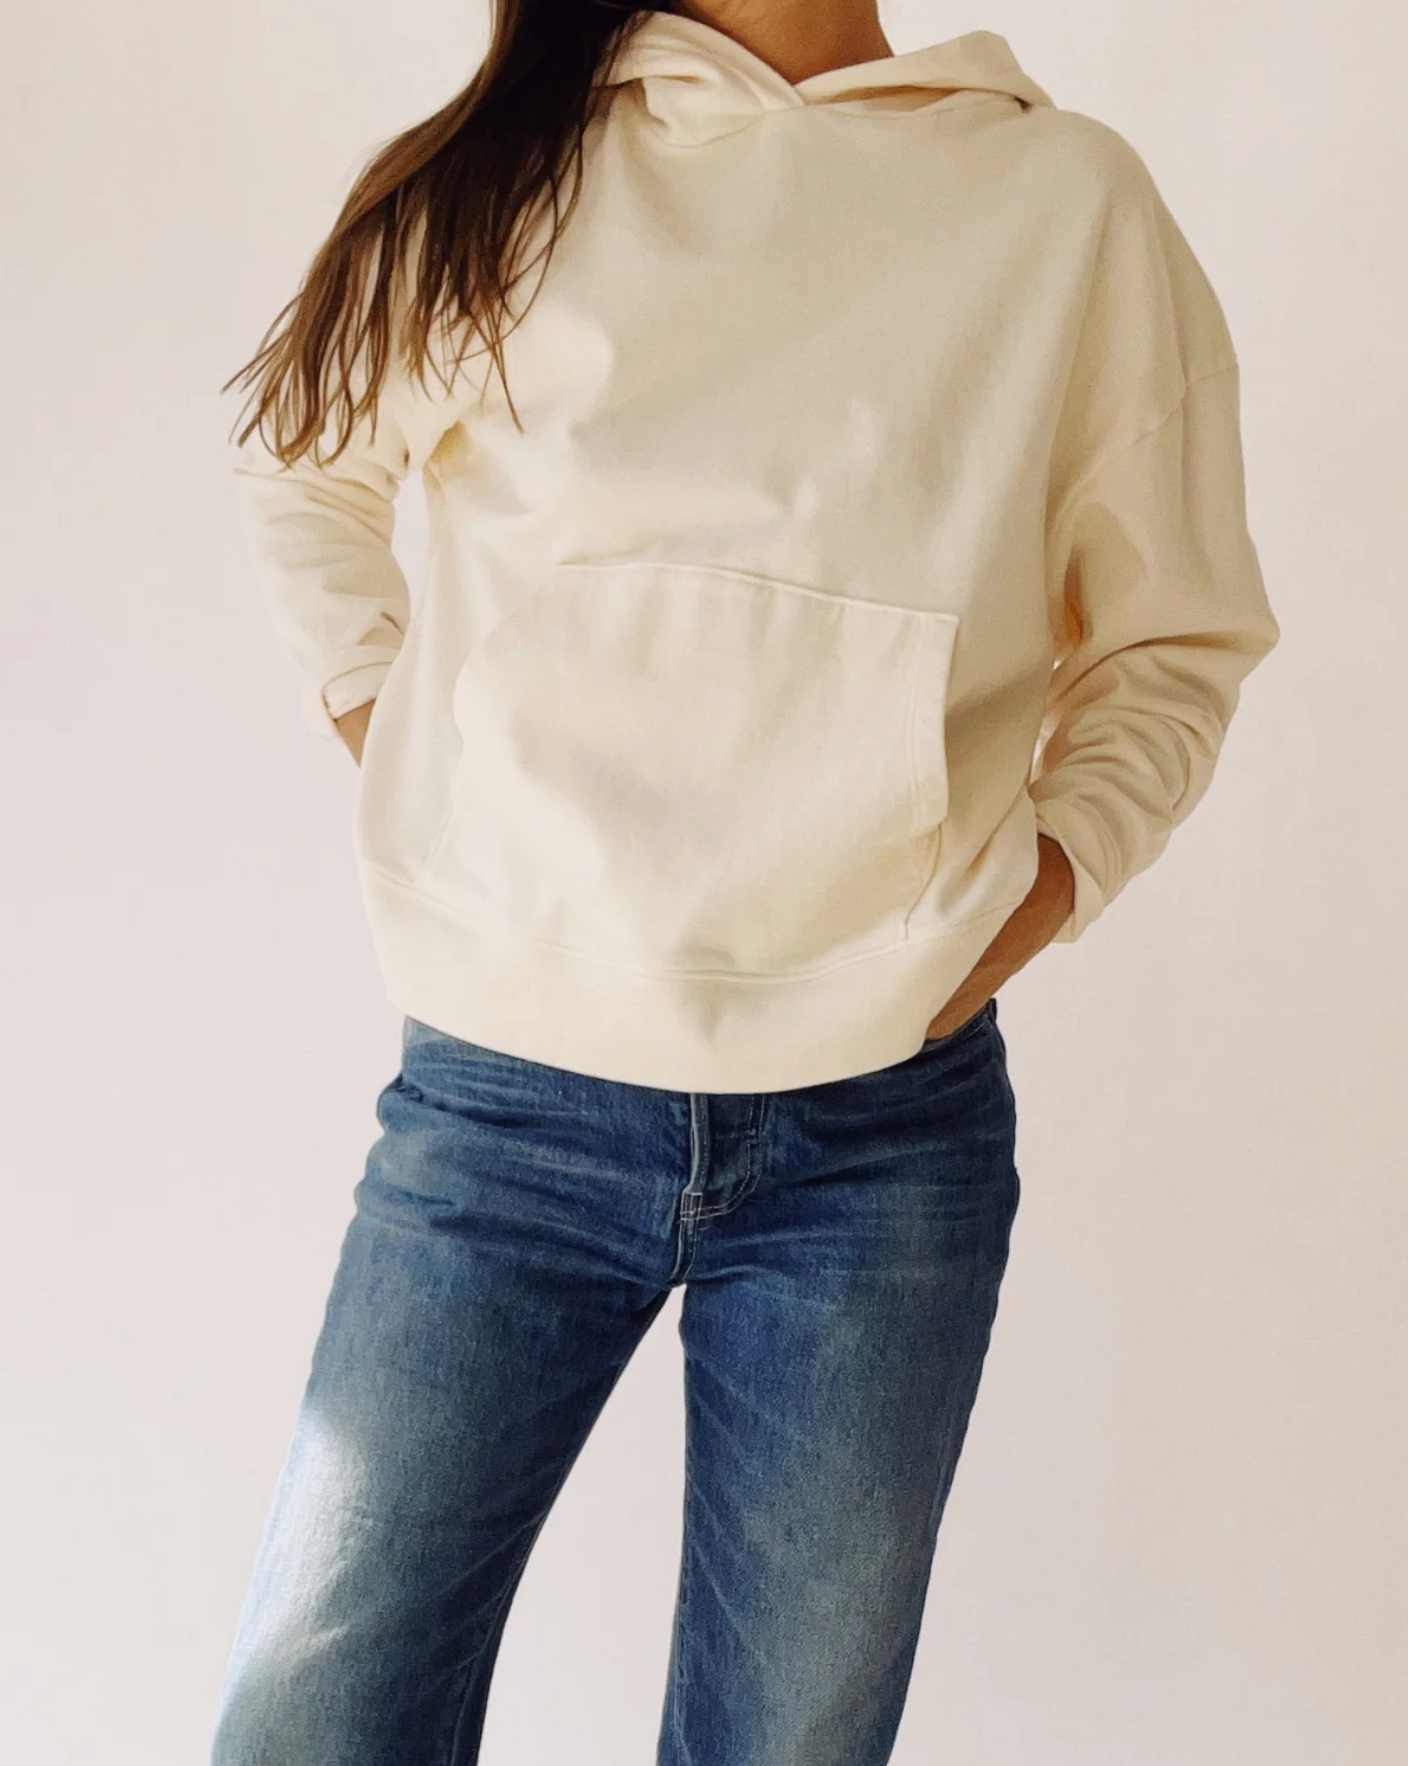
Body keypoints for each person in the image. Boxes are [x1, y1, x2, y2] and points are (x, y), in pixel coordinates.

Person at [209, 3, 1280, 1762]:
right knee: (314, 1718)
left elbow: (1177, 640)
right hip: (506, 1109)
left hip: (876, 1138)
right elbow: (299, 463)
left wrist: (1031, 896)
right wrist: (412, 747)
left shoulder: (1063, 207)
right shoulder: (512, 173)